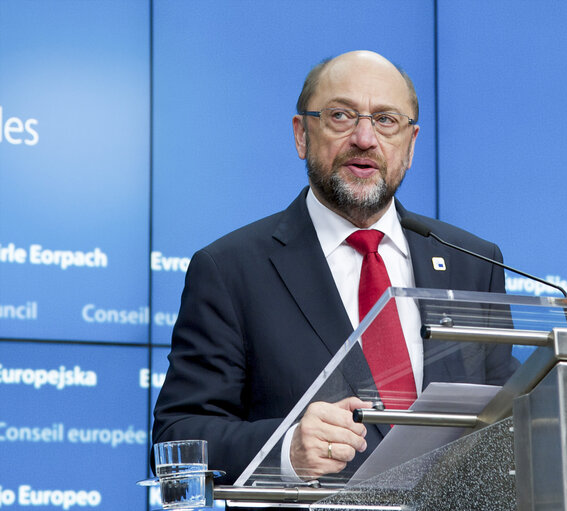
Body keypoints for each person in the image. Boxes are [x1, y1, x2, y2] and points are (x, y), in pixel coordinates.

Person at [152, 50, 514, 485]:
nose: (365, 137)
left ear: (411, 144)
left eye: (386, 120)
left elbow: (508, 418)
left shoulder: (471, 262)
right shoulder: (230, 270)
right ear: (302, 134)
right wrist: (286, 449)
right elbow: (173, 442)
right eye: (342, 115)